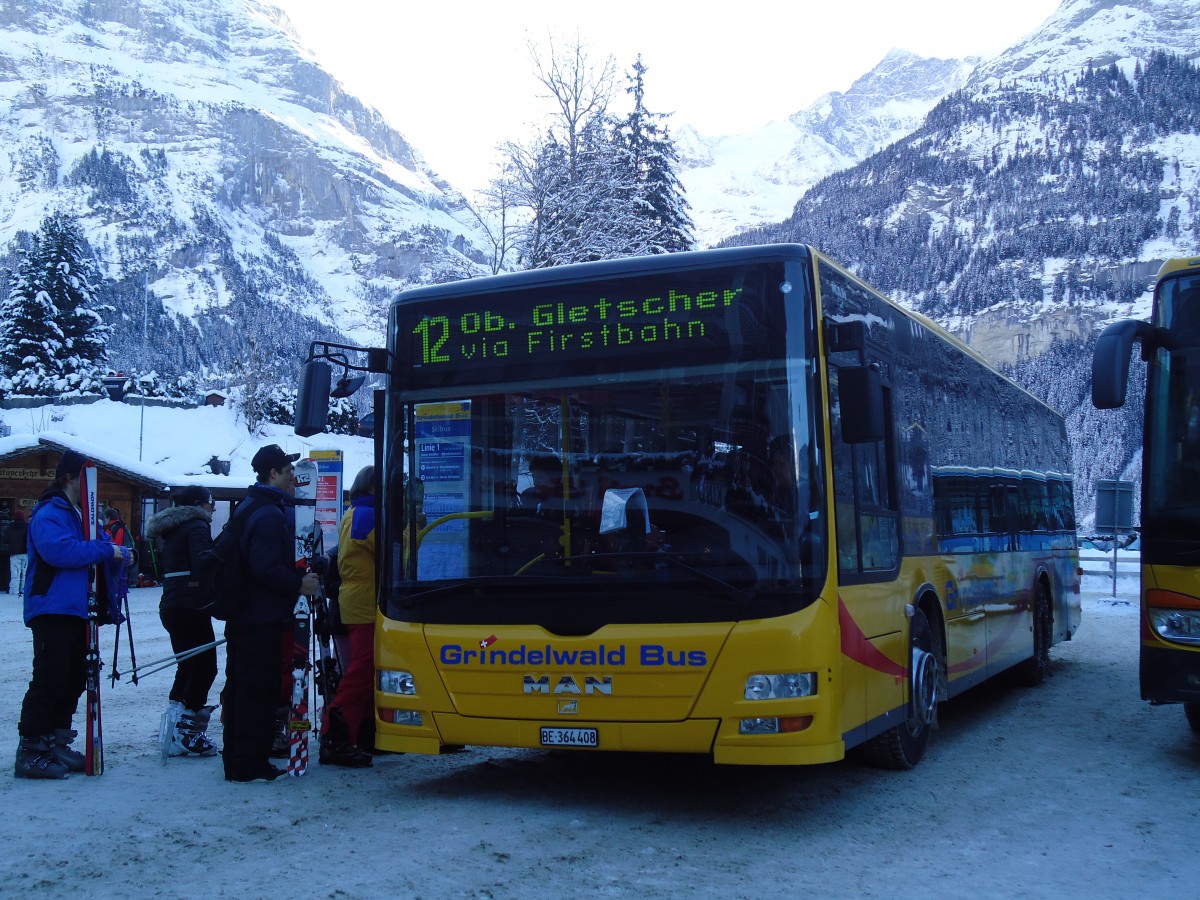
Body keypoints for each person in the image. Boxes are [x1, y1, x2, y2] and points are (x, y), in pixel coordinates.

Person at [15, 450, 133, 780]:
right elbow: (60, 551)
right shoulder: (50, 512)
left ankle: (56, 738)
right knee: (50, 676)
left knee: (74, 677)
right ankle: (31, 747)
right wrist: (105, 550)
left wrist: (120, 552)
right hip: (53, 607)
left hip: (80, 608)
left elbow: (102, 539)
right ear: (70, 477)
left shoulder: (81, 515)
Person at [221, 444, 319, 784]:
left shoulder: (250, 506)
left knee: (239, 688)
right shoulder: (269, 514)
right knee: (257, 692)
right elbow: (264, 567)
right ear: (272, 474)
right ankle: (249, 764)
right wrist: (298, 584)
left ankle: (237, 761)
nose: (294, 475)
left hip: (242, 615)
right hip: (259, 618)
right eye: (287, 470)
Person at [145, 486, 219, 758]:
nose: (213, 508)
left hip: (173, 604)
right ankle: (187, 732)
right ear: (199, 504)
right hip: (189, 605)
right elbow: (204, 562)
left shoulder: (174, 527)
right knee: (204, 667)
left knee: (187, 666)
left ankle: (174, 727)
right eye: (211, 502)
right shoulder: (197, 525)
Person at [319, 466, 375, 768]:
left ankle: (362, 735)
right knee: (361, 672)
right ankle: (336, 738)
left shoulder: (355, 512)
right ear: (373, 487)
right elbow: (398, 551)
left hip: (357, 600)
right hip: (365, 603)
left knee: (367, 671)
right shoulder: (368, 515)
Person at [6, 510, 29, 598]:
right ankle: (23, 589)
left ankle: (14, 590)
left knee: (14, 573)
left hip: (14, 552)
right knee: (24, 572)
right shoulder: (27, 526)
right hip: (25, 553)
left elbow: (6, 539)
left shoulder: (10, 526)